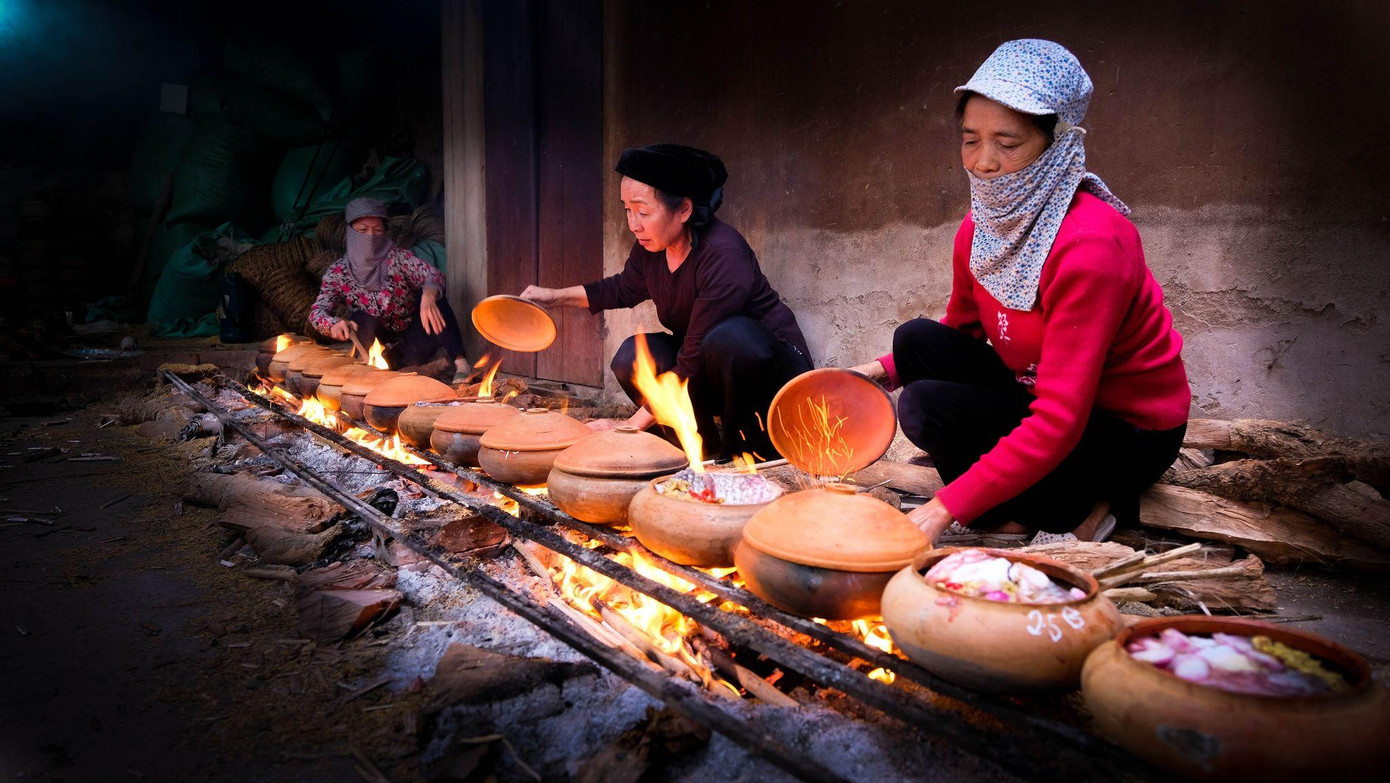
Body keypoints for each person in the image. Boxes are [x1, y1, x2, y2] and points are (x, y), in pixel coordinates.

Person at [850, 40, 1190, 545]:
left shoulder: (1091, 247)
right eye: (970, 140)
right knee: (915, 340)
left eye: (1007, 144)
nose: (983, 162)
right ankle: (1025, 495)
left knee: (923, 407)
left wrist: (943, 509)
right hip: (1043, 393)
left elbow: (1060, 416)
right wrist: (870, 375)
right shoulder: (981, 228)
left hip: (1124, 429)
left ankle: (1071, 506)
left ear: (1058, 145)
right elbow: (959, 331)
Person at [521, 144, 811, 460]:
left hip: (770, 379)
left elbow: (695, 356)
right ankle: (696, 450)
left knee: (731, 339)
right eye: (627, 210)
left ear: (684, 209)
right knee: (633, 356)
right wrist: (554, 297)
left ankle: (746, 457)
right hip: (707, 369)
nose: (634, 224)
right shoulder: (651, 249)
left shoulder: (723, 255)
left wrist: (629, 425)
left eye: (643, 212)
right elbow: (621, 288)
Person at [309, 197, 469, 380]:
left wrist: (429, 293)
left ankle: (461, 363)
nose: (370, 237)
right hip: (383, 347)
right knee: (359, 318)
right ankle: (365, 370)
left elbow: (432, 274)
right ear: (350, 232)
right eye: (362, 230)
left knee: (434, 299)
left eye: (377, 230)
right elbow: (317, 312)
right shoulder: (338, 273)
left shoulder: (398, 258)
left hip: (416, 339)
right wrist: (332, 324)